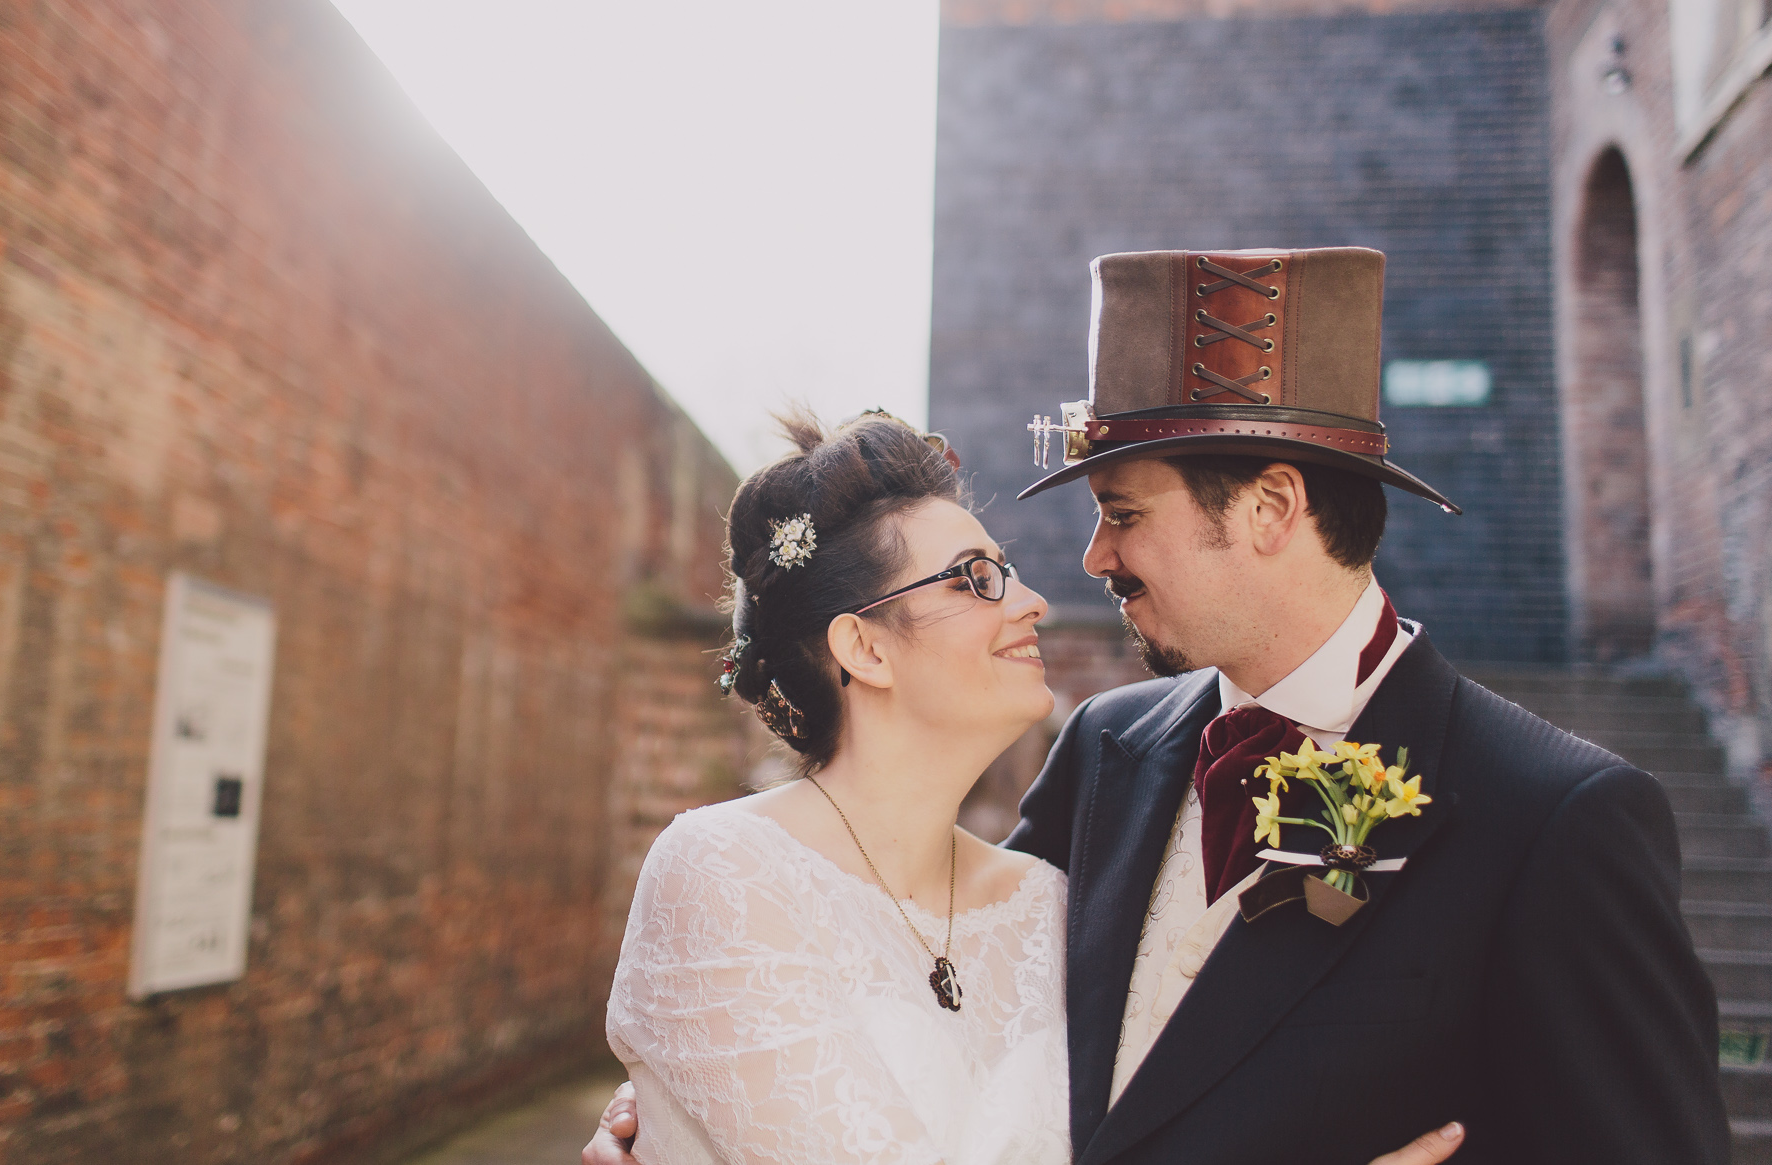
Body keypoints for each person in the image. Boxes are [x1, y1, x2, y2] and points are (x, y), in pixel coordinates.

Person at [588, 248, 1728, 1163]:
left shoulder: (1554, 820)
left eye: (1123, 512)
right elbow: (930, 1001)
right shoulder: (1106, 750)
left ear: (1270, 507)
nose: (1090, 559)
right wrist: (687, 1118)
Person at [596, 404, 1463, 1165]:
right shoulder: (722, 871)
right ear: (864, 647)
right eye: (977, 578)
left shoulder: (1048, 903)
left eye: (1005, 569)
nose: (1034, 599)